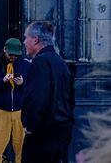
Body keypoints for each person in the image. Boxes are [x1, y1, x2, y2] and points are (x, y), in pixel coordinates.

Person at [21, 21, 74, 163]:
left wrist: (29, 126)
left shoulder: (40, 62)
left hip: (43, 134)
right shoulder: (60, 62)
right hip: (61, 131)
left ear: (35, 39)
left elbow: (36, 100)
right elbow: (70, 99)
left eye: (26, 37)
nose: (24, 42)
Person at [0, 37, 30, 163]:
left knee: (22, 149)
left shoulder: (26, 66)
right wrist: (3, 81)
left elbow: (32, 89)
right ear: (5, 50)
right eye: (11, 55)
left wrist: (22, 84)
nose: (13, 57)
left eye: (16, 55)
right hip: (1, 112)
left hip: (20, 112)